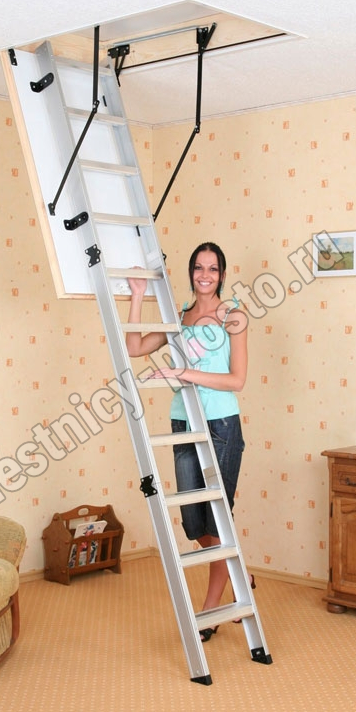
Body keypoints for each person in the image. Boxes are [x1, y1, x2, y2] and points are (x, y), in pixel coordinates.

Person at [126, 241, 253, 642]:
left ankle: (211, 610)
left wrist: (184, 375)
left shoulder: (234, 317)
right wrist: (138, 296)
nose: (205, 275)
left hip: (221, 426)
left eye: (212, 269)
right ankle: (239, 573)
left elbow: (237, 380)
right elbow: (134, 348)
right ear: (191, 272)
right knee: (193, 523)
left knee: (216, 520)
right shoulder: (179, 317)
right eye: (199, 268)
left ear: (222, 274)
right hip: (183, 422)